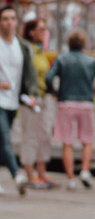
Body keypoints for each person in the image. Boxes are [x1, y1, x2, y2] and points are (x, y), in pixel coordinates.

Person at [45, 29, 95, 190]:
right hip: (86, 102)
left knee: (67, 142)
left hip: (66, 102)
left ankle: (70, 179)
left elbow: (49, 77)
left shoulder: (62, 59)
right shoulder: (91, 60)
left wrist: (54, 91)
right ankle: (85, 170)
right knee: (87, 140)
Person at [0, 5, 34, 196]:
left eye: (12, 18)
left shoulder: (21, 46)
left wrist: (31, 94)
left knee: (1, 142)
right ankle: (17, 175)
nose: (9, 22)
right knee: (5, 139)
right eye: (5, 18)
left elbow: (27, 74)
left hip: (14, 101)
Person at [20, 19, 57, 189]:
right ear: (31, 32)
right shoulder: (27, 49)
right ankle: (30, 174)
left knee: (44, 136)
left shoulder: (41, 50)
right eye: (40, 29)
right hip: (30, 99)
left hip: (42, 98)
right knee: (31, 137)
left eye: (45, 29)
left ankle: (41, 172)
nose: (44, 32)